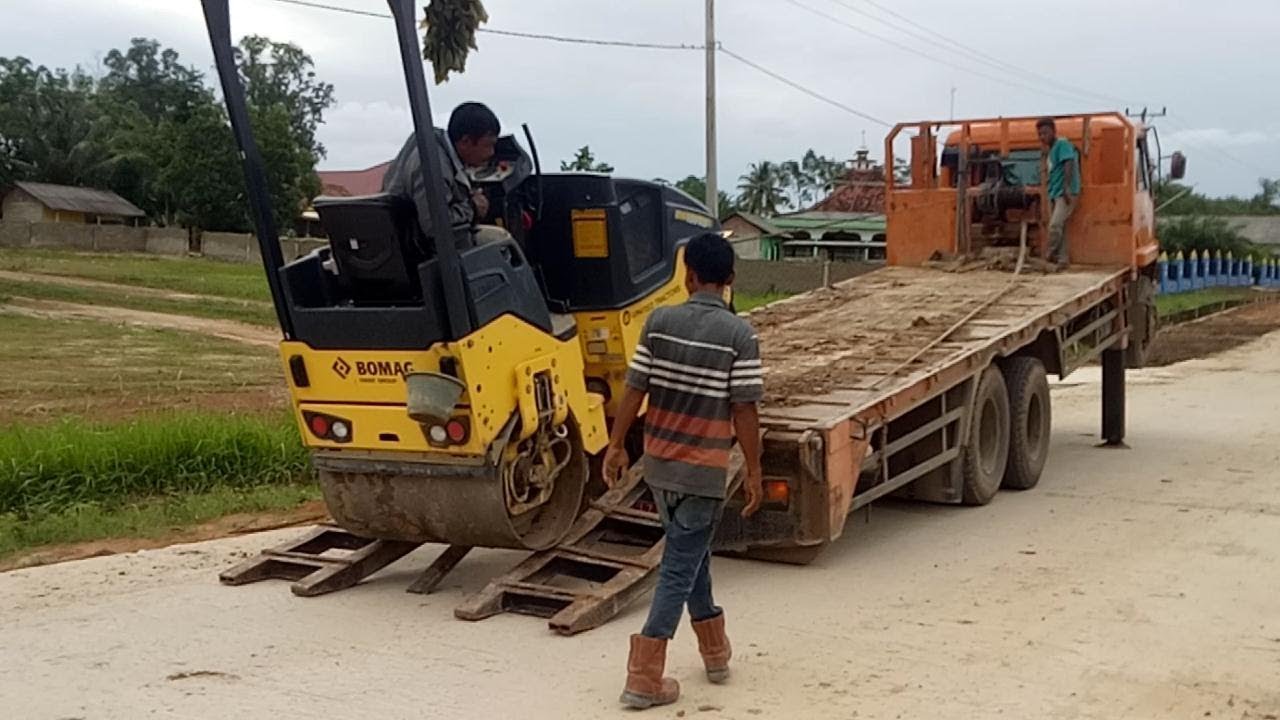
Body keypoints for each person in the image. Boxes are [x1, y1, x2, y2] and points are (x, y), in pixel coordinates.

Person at [602, 232, 765, 710]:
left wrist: (615, 446)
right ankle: (644, 676)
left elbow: (634, 389)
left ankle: (715, 652)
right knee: (678, 566)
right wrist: (754, 471)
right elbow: (745, 411)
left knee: (690, 555)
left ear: (688, 275)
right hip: (702, 472)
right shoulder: (739, 335)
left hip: (660, 468)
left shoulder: (659, 322)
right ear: (730, 281)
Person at [382, 101, 501, 243]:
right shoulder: (434, 165)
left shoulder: (426, 142)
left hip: (401, 240)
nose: (491, 153)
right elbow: (435, 225)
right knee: (501, 241)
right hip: (423, 250)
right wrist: (473, 207)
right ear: (466, 141)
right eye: (489, 145)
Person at [1037, 117, 1080, 266]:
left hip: (1065, 193)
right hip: (1055, 193)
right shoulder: (1051, 150)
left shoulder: (1062, 144)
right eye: (1040, 134)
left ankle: (1049, 254)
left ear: (1054, 131)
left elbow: (1069, 162)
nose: (1043, 137)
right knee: (1061, 226)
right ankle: (1063, 259)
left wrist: (1066, 188)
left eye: (1045, 133)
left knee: (1055, 225)